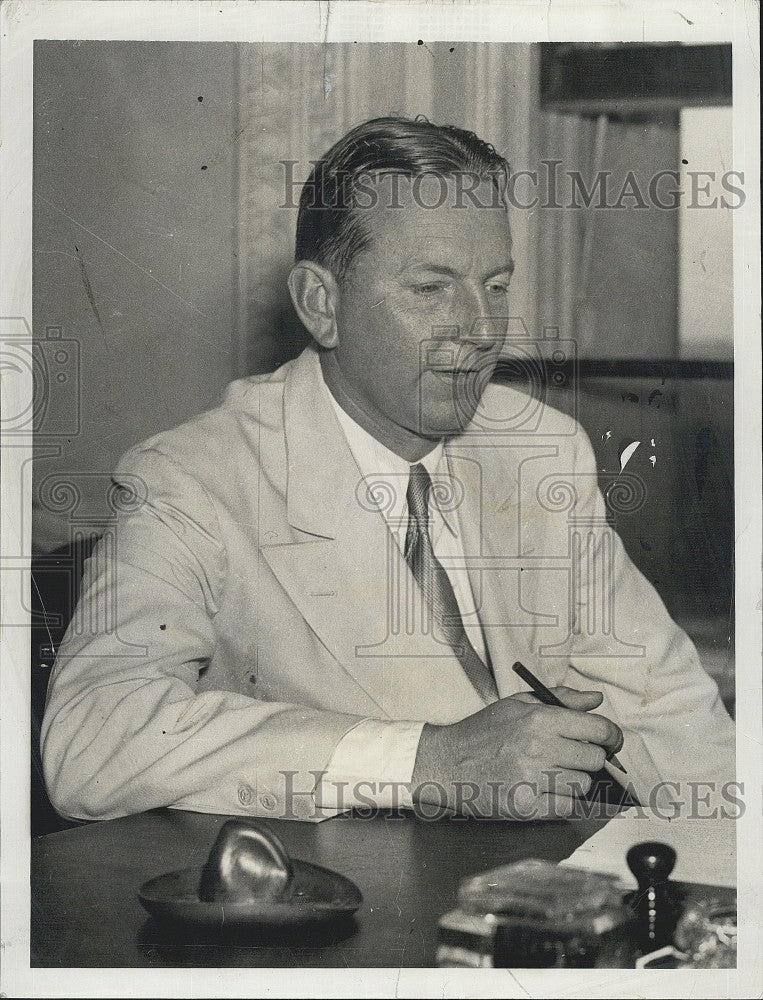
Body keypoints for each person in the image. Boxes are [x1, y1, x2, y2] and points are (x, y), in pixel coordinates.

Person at [41, 116, 735, 824]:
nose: (480, 327)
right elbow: (91, 744)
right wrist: (426, 760)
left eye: (495, 286)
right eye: (431, 289)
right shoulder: (192, 478)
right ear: (322, 305)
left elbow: (667, 706)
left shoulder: (540, 447)